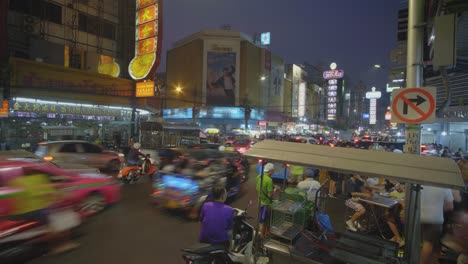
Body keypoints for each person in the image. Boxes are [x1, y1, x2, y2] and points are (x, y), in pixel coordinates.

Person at [420, 185, 454, 264]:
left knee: (423, 243)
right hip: (435, 219)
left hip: (419, 216)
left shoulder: (422, 181)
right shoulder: (444, 185)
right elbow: (450, 206)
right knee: (429, 243)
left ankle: (431, 261)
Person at [256, 163, 275, 238]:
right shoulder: (269, 180)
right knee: (263, 221)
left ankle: (262, 234)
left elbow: (258, 188)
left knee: (261, 219)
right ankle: (262, 237)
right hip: (266, 204)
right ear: (270, 170)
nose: (273, 172)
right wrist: (275, 190)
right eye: (273, 171)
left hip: (260, 201)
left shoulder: (259, 176)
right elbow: (270, 195)